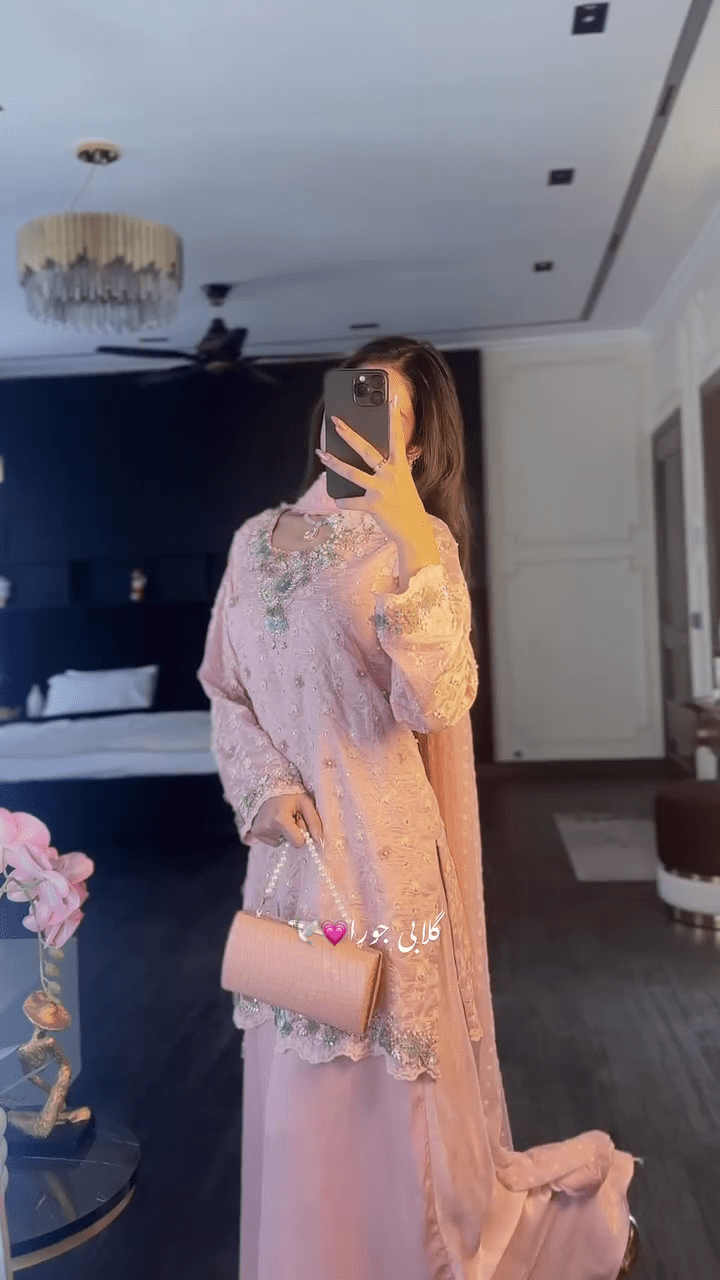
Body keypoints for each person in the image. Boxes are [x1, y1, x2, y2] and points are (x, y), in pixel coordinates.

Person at [197, 337, 640, 1280]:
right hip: (288, 860)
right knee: (295, 1079)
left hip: (387, 862)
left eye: (387, 412)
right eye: (350, 401)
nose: (357, 424)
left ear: (417, 444)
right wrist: (266, 786)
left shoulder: (421, 544)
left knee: (379, 1089)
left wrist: (407, 535)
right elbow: (225, 690)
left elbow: (437, 703)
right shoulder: (253, 540)